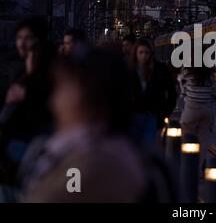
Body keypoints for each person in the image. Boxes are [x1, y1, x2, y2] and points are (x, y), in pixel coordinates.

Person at [20, 48, 147, 202]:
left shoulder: (91, 164)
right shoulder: (97, 150)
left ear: (91, 94)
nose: (53, 102)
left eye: (63, 89)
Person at [0, 41, 55, 186]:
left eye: (31, 57)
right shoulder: (57, 85)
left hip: (20, 150)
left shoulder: (23, 86)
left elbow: (5, 119)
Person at [129, 39, 176, 143]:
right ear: (136, 53)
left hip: (154, 117)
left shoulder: (160, 69)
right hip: (134, 116)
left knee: (151, 147)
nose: (144, 56)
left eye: (146, 52)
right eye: (141, 52)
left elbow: (172, 93)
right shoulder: (129, 70)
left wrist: (165, 113)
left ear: (151, 53)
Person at [178, 67, 215, 166]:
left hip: (191, 107)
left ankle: (187, 166)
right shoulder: (209, 74)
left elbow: (183, 92)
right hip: (206, 109)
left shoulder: (187, 71)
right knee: (202, 142)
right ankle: (198, 169)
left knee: (186, 138)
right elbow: (212, 95)